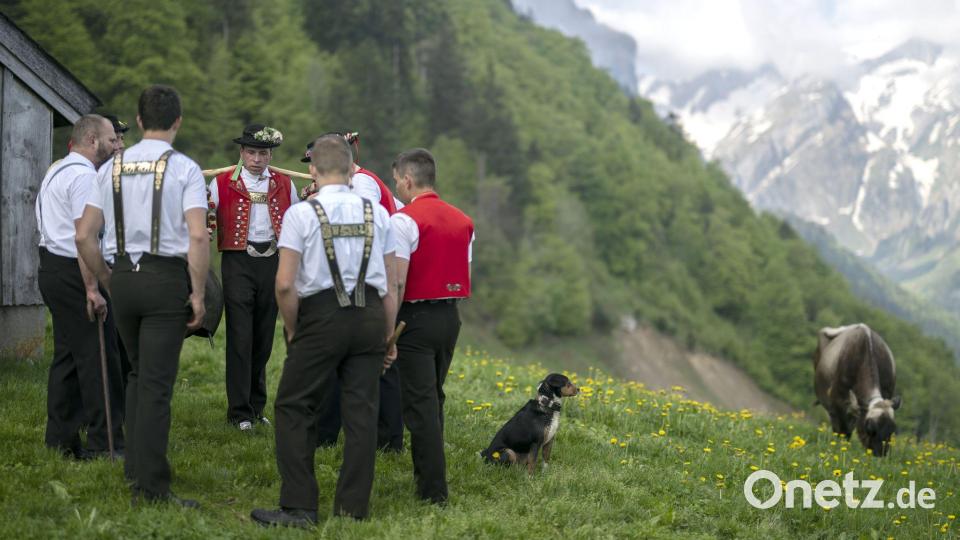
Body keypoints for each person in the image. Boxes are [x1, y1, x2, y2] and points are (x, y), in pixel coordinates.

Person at [251, 134, 398, 527]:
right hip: (369, 314)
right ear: (352, 170)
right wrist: (388, 336)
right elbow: (391, 282)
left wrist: (295, 330)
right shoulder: (377, 213)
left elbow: (284, 284)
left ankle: (299, 506)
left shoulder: (302, 213)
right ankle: (352, 509)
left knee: (293, 404)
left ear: (312, 171)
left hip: (320, 315)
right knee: (362, 412)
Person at [76, 85, 209, 508]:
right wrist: (200, 295)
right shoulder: (185, 169)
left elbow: (83, 234)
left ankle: (136, 469)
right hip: (163, 278)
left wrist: (106, 279)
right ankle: (152, 488)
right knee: (155, 384)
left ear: (137, 122)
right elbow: (198, 235)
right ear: (178, 122)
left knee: (137, 376)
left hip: (124, 279)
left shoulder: (108, 169)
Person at [300, 133, 403, 452]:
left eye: (314, 165)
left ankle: (386, 438)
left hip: (372, 279)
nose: (311, 172)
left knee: (380, 363)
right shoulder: (348, 187)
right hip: (369, 279)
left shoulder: (364, 185)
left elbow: (359, 237)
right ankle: (333, 433)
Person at [36, 114, 125, 460]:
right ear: (92, 141)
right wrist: (93, 289)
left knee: (68, 358)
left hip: (52, 268)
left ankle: (60, 440)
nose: (116, 145)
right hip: (76, 272)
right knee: (100, 357)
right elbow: (82, 238)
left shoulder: (56, 170)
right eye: (110, 139)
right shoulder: (86, 178)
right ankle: (106, 443)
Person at [390, 148, 473, 504]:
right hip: (450, 317)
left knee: (420, 405)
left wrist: (388, 330)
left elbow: (397, 282)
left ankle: (433, 492)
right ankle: (429, 476)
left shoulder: (404, 220)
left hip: (414, 318)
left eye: (397, 181)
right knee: (433, 397)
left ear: (407, 180)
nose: (398, 187)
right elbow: (463, 270)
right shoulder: (465, 221)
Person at [209, 124, 298, 431]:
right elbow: (206, 220)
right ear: (241, 153)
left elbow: (298, 224)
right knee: (240, 336)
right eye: (252, 153)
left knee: (262, 337)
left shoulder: (286, 184)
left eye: (263, 153)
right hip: (237, 262)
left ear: (270, 154)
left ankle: (256, 407)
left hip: (272, 262)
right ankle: (239, 413)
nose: (257, 159)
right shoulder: (220, 183)